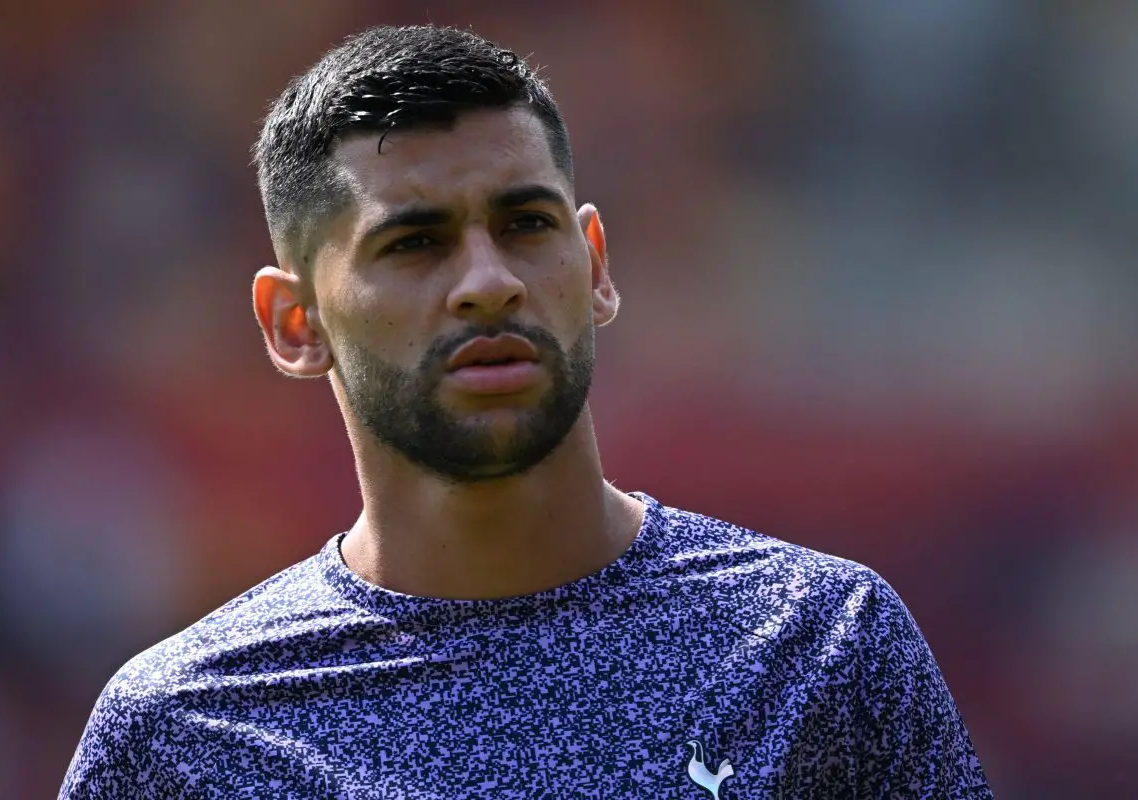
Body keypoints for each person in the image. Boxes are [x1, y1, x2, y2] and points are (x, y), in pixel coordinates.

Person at [61, 24, 993, 799]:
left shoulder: (819, 647)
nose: (490, 282)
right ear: (296, 322)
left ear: (594, 267)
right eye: (415, 242)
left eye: (526, 224)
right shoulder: (185, 733)